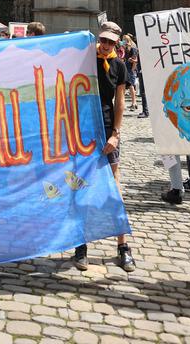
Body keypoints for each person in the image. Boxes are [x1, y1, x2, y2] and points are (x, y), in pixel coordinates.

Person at [73, 22, 136, 273]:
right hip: (83, 130)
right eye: (103, 40)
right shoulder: (84, 61)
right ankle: (81, 245)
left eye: (110, 41)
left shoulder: (119, 66)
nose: (105, 45)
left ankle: (123, 247)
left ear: (117, 42)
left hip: (108, 128)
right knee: (81, 186)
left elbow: (119, 102)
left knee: (114, 189)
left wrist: (116, 134)